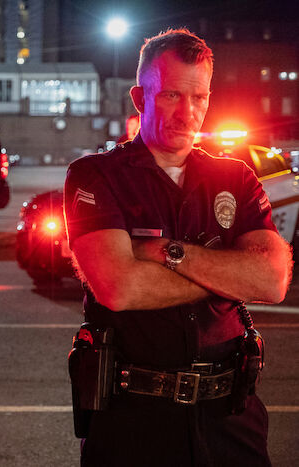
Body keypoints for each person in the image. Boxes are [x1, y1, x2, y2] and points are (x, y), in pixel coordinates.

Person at [64, 28, 291, 466]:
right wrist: (230, 276)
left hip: (230, 417)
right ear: (139, 97)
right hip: (135, 421)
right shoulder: (96, 175)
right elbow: (119, 288)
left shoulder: (236, 177)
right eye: (171, 95)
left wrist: (173, 254)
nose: (188, 113)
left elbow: (273, 279)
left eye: (199, 97)